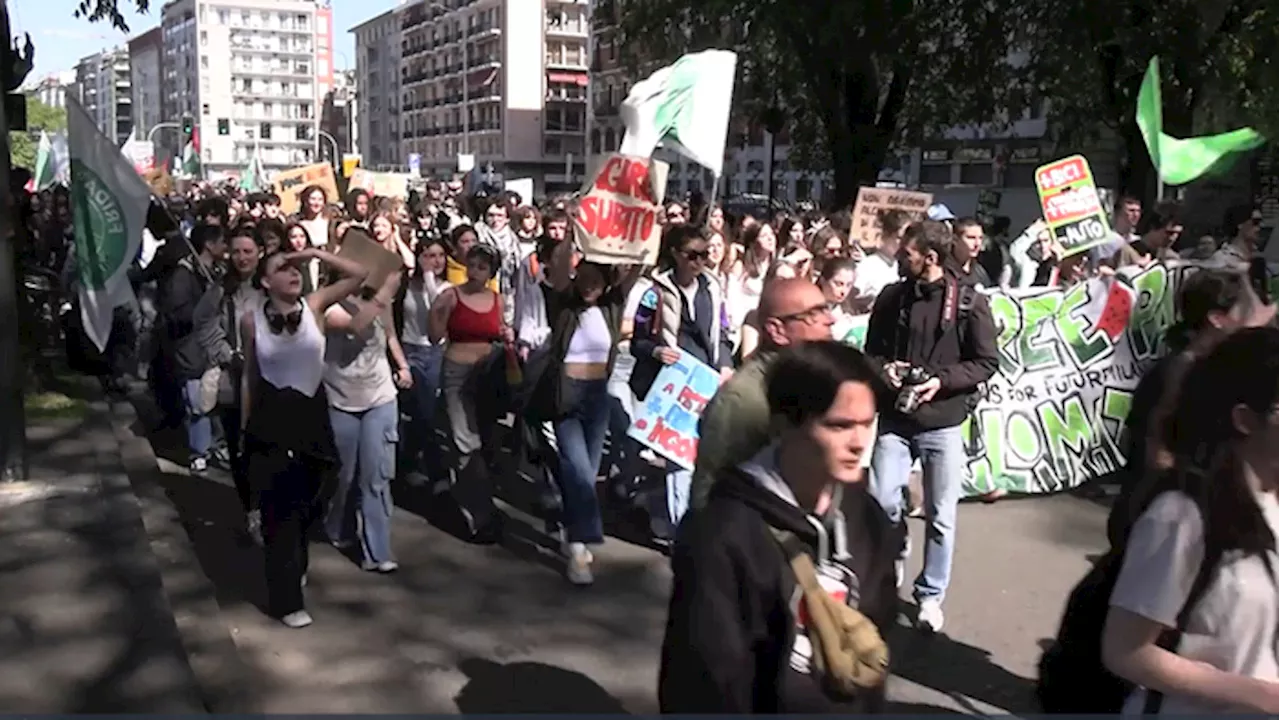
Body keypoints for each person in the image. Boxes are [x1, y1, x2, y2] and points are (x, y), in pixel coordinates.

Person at [660, 341, 898, 713]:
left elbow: (878, 643)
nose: (859, 442)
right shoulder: (723, 536)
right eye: (839, 425)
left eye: (867, 424)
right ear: (787, 424)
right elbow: (702, 682)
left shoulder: (867, 518)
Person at [1101, 327, 1280, 714]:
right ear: (1246, 419)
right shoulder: (1182, 514)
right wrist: (1260, 695)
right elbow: (1125, 651)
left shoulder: (1272, 503)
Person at [863, 220, 999, 633]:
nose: (902, 260)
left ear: (931, 258)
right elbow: (870, 353)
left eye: (908, 254)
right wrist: (884, 370)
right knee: (882, 500)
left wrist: (941, 381)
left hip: (942, 421)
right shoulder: (891, 297)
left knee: (941, 516)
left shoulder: (969, 302)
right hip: (895, 418)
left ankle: (930, 596)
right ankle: (890, 564)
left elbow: (986, 362)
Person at [240, 246, 370, 628]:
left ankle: (295, 559)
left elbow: (359, 274)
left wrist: (315, 253)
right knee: (280, 512)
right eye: (282, 269)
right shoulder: (251, 320)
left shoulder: (314, 306)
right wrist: (245, 429)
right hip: (272, 419)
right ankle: (286, 600)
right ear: (266, 281)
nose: (293, 273)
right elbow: (249, 373)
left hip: (312, 417)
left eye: (296, 268)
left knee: (315, 498)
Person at [691, 278, 836, 510]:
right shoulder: (744, 399)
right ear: (776, 330)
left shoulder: (805, 382)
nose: (830, 320)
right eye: (813, 315)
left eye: (826, 309)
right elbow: (710, 489)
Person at [631, 225, 734, 537]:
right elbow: (637, 339)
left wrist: (726, 364)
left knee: (706, 457)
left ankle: (671, 511)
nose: (699, 262)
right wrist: (657, 350)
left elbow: (724, 333)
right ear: (675, 254)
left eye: (704, 255)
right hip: (672, 384)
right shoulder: (653, 292)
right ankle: (682, 533)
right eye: (692, 255)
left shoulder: (714, 289)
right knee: (679, 461)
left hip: (708, 381)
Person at [429, 242, 511, 543]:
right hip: (456, 373)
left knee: (486, 442)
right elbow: (434, 335)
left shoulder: (498, 300)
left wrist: (507, 334)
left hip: (488, 375)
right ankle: (479, 515)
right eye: (472, 264)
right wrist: (437, 312)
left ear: (491, 272)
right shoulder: (451, 296)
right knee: (466, 442)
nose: (476, 271)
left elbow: (501, 329)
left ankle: (472, 501)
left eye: (482, 266)